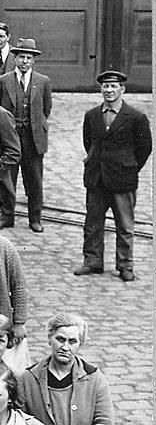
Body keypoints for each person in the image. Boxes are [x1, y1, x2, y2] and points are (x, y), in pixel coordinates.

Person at [74, 68, 150, 283]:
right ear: (101, 89)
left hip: (122, 179)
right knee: (92, 223)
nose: (109, 90)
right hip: (96, 178)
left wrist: (129, 167)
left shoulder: (136, 117)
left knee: (124, 226)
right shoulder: (92, 115)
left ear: (122, 89)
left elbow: (144, 148)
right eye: (105, 86)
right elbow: (89, 143)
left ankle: (125, 265)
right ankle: (93, 261)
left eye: (113, 86)